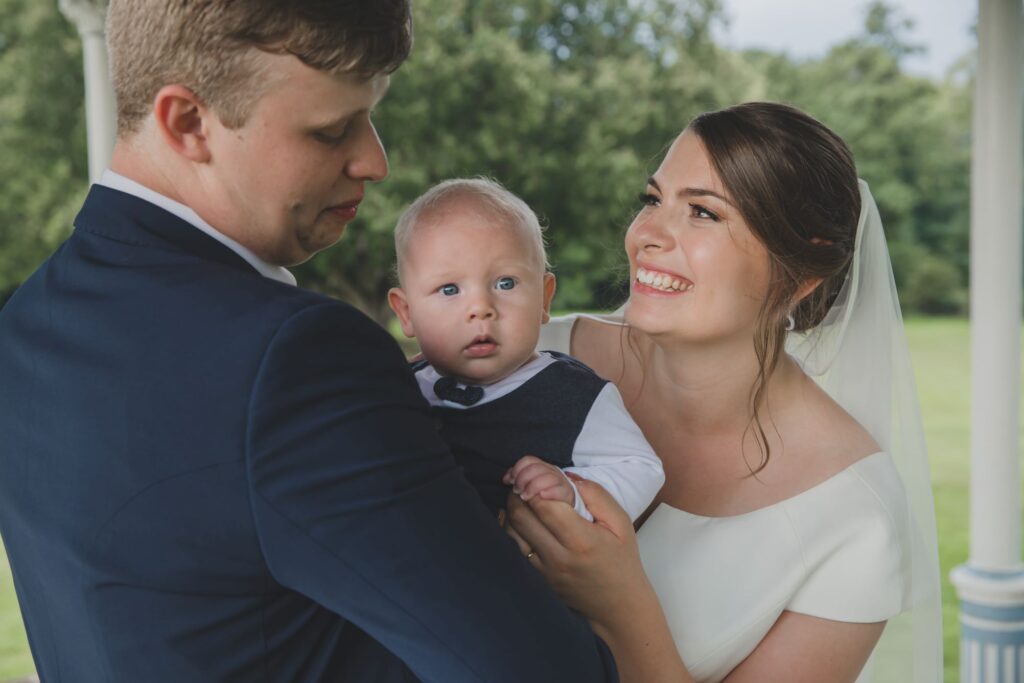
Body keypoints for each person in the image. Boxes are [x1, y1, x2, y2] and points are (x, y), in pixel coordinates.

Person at [0, 2, 619, 682]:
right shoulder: (296, 359)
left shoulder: (26, 323)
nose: (375, 160)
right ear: (188, 121)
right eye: (332, 131)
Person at [506, 102, 943, 682]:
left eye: (704, 214)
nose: (648, 235)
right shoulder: (527, 358)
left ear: (799, 275)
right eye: (653, 200)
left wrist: (621, 604)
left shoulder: (856, 516)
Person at [387, 178, 664, 521]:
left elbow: (641, 468)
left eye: (505, 283)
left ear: (544, 299)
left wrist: (572, 490)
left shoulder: (572, 395)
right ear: (407, 313)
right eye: (448, 289)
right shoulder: (399, 388)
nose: (480, 307)